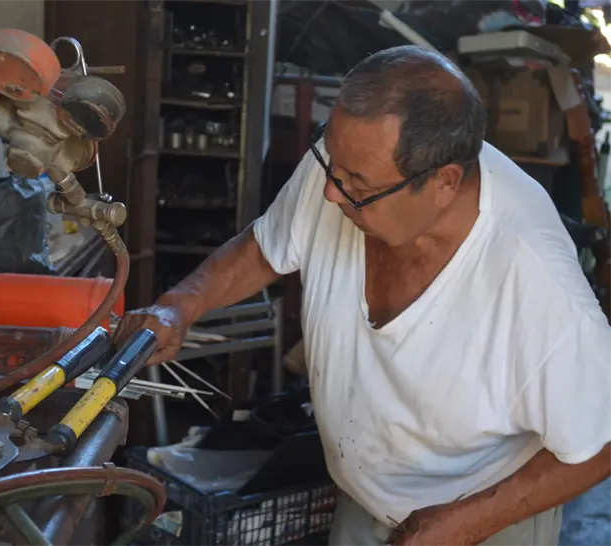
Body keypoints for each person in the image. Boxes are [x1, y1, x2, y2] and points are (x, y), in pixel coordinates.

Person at [115, 45, 611, 546]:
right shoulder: (351, 165)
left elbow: (600, 445)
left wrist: (461, 524)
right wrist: (180, 304)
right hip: (364, 499)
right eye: (331, 163)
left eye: (355, 184)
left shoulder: (534, 280)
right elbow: (265, 248)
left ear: (444, 182)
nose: (330, 193)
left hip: (481, 521)